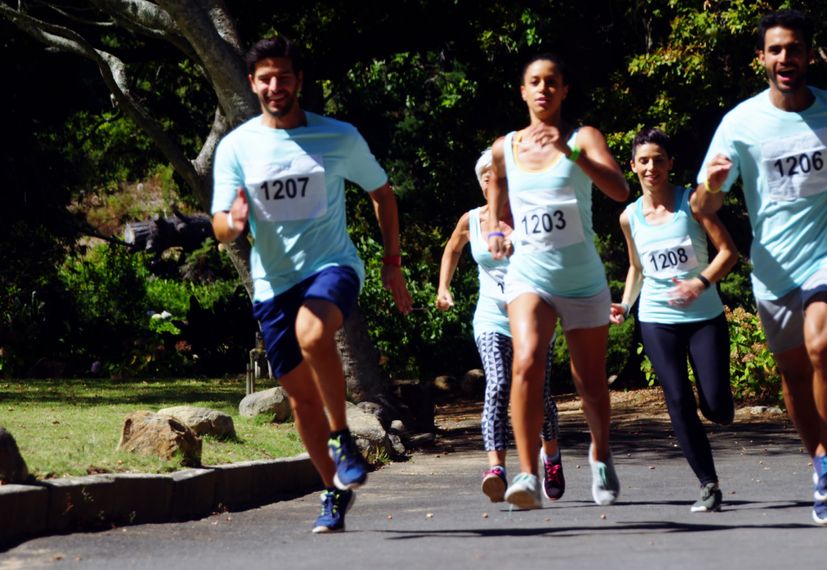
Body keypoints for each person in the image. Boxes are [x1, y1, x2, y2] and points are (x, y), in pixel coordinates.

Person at [695, 9, 827, 525]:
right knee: (792, 376)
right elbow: (703, 207)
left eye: (794, 48)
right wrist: (715, 185)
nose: (785, 58)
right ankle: (821, 467)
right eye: (776, 50)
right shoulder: (739, 124)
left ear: (809, 55)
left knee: (820, 343)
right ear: (762, 59)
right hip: (773, 270)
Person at [211, 37, 412, 533]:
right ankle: (333, 490)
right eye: (265, 78)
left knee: (315, 333)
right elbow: (218, 222)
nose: (275, 86)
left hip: (331, 265)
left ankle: (342, 436)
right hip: (270, 282)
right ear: (253, 83)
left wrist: (392, 262)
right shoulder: (237, 147)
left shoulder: (338, 137)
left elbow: (382, 194)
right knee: (300, 398)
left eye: (284, 76)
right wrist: (232, 223)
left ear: (298, 81)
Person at [486, 53, 630, 509]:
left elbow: (620, 190)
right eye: (535, 82)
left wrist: (571, 154)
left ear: (564, 90)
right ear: (523, 91)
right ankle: (527, 473)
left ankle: (600, 452)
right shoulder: (504, 147)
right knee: (526, 360)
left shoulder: (583, 137)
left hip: (583, 280)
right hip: (530, 275)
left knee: (589, 381)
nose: (544, 89)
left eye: (552, 82)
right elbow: (496, 188)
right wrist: (495, 228)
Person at [610, 127, 739, 513]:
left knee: (716, 408)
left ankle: (716, 404)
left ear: (671, 164)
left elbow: (728, 253)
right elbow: (636, 268)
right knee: (678, 400)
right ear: (632, 166)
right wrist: (625, 304)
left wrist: (698, 284)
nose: (652, 167)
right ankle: (708, 484)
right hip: (656, 318)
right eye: (644, 161)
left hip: (704, 316)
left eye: (659, 160)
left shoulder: (693, 203)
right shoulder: (629, 217)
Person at [435, 149, 566, 504]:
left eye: (502, 179)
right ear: (481, 184)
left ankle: (550, 455)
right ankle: (496, 468)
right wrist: (443, 287)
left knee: (538, 393)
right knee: (498, 384)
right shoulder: (471, 220)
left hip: (534, 316)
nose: (495, 185)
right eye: (488, 179)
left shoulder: (531, 217)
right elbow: (452, 249)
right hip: (491, 317)